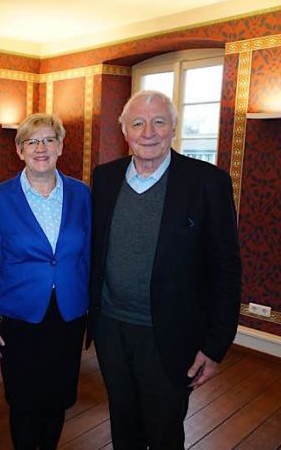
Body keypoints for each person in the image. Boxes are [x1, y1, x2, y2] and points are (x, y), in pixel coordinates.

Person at [89, 90, 242, 449]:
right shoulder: (105, 178)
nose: (149, 132)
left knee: (163, 430)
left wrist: (216, 345)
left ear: (173, 128)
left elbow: (226, 269)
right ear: (124, 130)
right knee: (122, 423)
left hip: (171, 336)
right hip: (112, 328)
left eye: (159, 122)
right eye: (138, 123)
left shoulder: (207, 182)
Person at [0, 113, 90, 449]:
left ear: (61, 146)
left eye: (48, 140)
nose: (40, 147)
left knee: (57, 398)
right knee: (24, 400)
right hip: (20, 315)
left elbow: (89, 254)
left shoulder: (82, 194)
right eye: (31, 141)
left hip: (69, 313)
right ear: (19, 150)